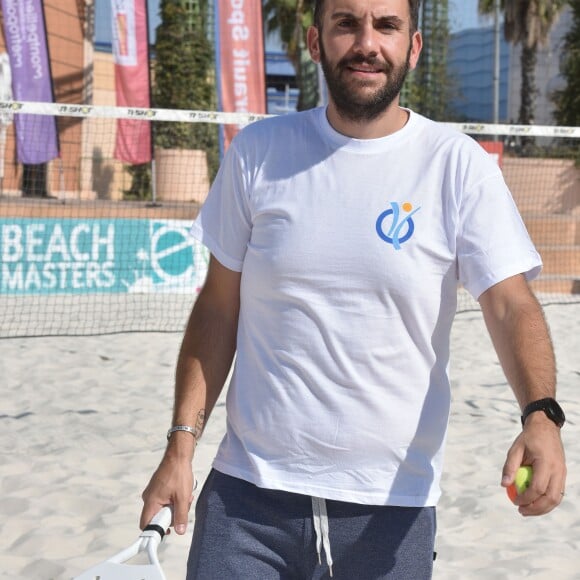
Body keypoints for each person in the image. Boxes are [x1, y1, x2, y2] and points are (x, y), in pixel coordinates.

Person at [141, 0, 567, 577]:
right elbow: (218, 308)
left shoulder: (457, 166)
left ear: (413, 47)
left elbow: (511, 302)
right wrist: (181, 446)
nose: (367, 42)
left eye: (387, 25)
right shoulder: (258, 154)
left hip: (390, 508)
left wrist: (540, 416)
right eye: (347, 23)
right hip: (247, 501)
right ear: (317, 42)